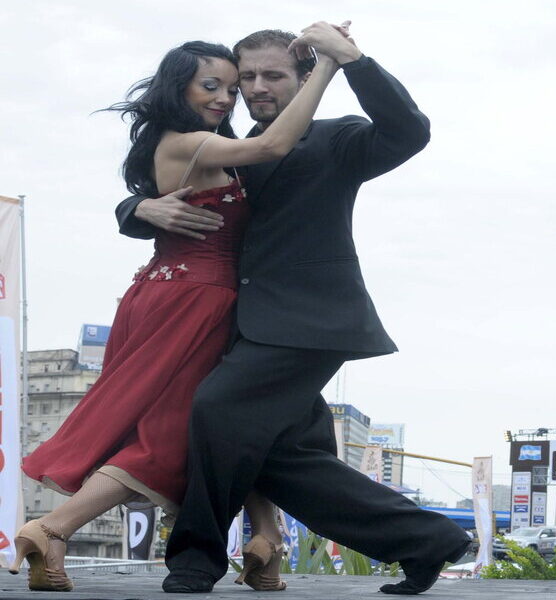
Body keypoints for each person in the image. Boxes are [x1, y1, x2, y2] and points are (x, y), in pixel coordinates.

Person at [116, 24, 470, 595]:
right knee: (281, 459)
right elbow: (156, 183)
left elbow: (409, 132)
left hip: (310, 321)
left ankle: (193, 561)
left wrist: (352, 60)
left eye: (272, 75)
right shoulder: (226, 146)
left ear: (305, 77)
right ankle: (427, 543)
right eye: (245, 77)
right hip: (237, 322)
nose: (255, 86)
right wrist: (138, 210)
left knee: (215, 409)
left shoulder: (337, 139)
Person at [14, 38, 338, 593]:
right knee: (169, 435)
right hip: (194, 301)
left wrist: (137, 206)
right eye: (209, 85)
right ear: (177, 85)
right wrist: (329, 64)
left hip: (185, 294)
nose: (224, 97)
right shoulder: (190, 141)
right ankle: (52, 528)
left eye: (230, 89)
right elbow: (277, 144)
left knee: (241, 418)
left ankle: (266, 539)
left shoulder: (200, 143)